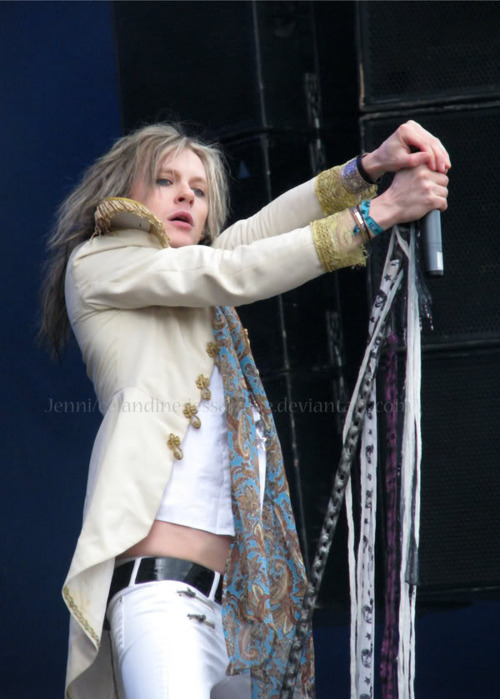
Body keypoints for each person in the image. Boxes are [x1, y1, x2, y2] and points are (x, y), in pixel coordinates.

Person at [39, 120, 449, 699]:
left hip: (235, 617)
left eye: (200, 190)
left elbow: (254, 239)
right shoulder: (101, 262)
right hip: (162, 604)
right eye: (166, 181)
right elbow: (229, 270)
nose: (187, 197)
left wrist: (368, 169)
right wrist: (375, 215)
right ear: (124, 192)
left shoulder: (196, 288)